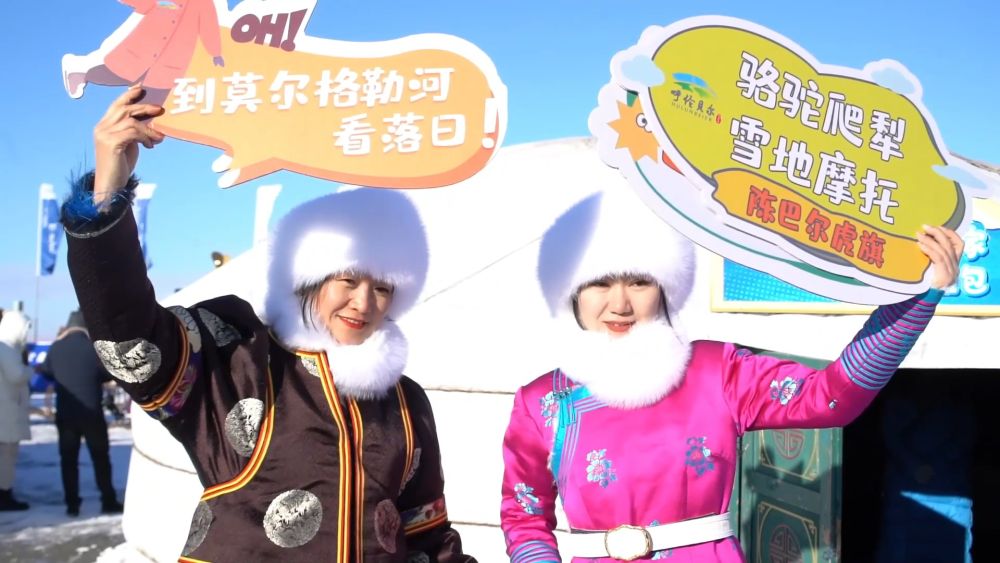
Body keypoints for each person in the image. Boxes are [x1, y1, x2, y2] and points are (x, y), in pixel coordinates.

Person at [60, 86, 474, 561]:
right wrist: (107, 189)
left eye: (382, 288)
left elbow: (428, 538)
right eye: (347, 280)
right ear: (310, 278)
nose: (363, 303)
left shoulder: (404, 402)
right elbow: (130, 334)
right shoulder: (239, 362)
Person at [499, 188, 964, 561]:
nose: (619, 304)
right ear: (572, 292)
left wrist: (916, 300)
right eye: (600, 283)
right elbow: (524, 515)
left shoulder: (714, 370)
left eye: (639, 282)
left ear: (664, 288)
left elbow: (829, 397)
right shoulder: (543, 401)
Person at [37, 311, 124, 516]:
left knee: (69, 461)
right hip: (92, 413)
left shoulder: (56, 347)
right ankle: (108, 500)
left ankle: (72, 505)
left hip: (66, 414)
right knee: (100, 458)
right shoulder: (94, 348)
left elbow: (47, 371)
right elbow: (107, 374)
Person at [61, 0, 224, 105]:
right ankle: (78, 71)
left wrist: (215, 53)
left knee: (156, 95)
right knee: (116, 73)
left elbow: (208, 26)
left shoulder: (203, 3)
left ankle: (135, 127)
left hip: (171, 60)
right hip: (142, 50)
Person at [0, 309, 32, 511]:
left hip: (8, 409)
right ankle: (4, 495)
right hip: (7, 412)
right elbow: (17, 375)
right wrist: (30, 370)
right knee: (7, 456)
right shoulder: (7, 349)